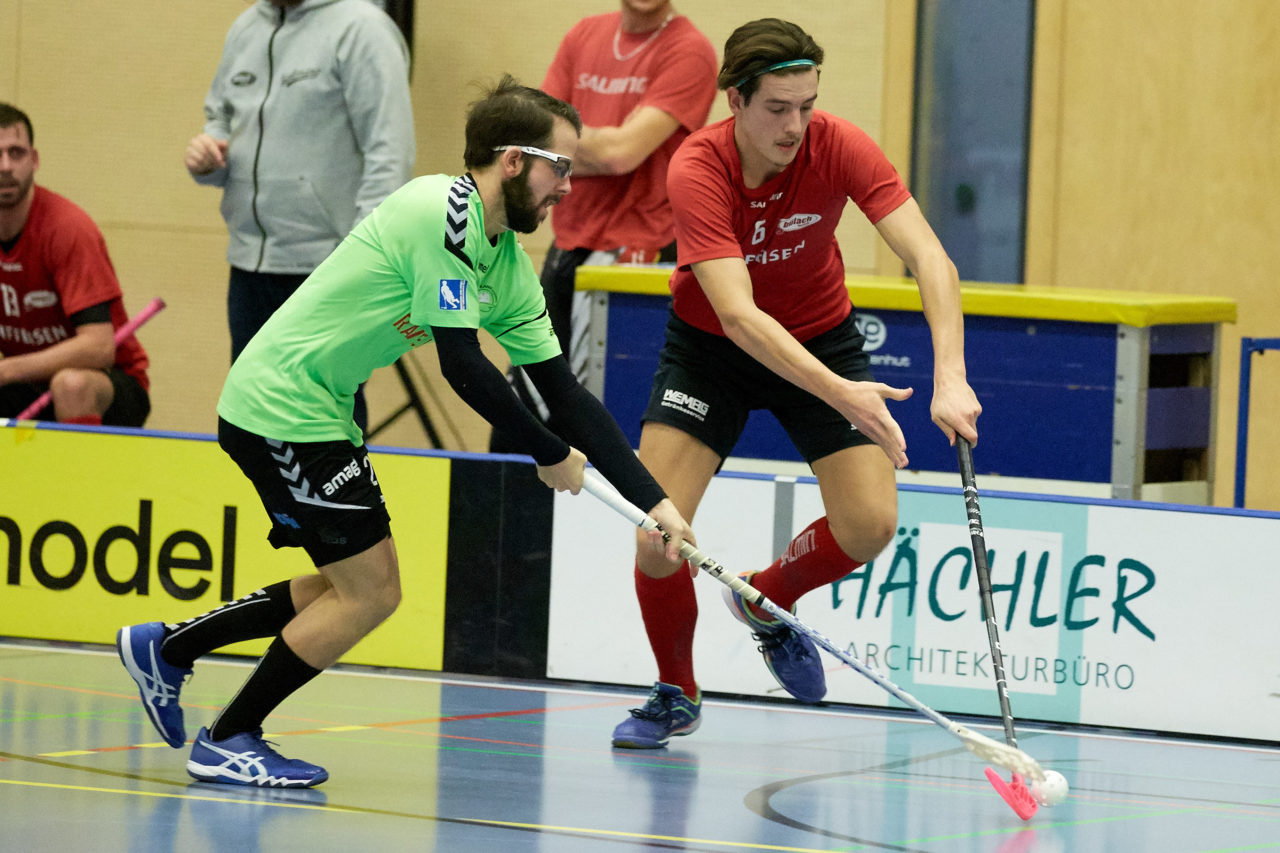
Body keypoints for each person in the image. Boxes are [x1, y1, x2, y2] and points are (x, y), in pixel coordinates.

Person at [116, 76, 695, 788]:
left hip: (323, 411)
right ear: (513, 161)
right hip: (278, 407)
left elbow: (565, 395)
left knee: (354, 582)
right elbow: (462, 365)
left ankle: (170, 647)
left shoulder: (508, 266)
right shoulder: (440, 211)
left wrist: (656, 503)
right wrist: (548, 453)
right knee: (371, 592)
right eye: (560, 168)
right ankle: (229, 736)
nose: (568, 187)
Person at [610, 18, 983, 749]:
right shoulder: (697, 167)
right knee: (658, 536)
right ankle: (676, 690)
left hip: (820, 336)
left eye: (807, 105)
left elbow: (930, 257)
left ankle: (766, 597)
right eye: (777, 108)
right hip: (712, 350)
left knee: (870, 525)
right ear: (736, 101)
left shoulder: (838, 145)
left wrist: (951, 374)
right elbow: (740, 316)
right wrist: (843, 393)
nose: (795, 125)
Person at [490, 0, 716, 450]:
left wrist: (566, 151)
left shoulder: (690, 51)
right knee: (523, 406)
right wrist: (592, 147)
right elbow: (532, 139)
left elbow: (620, 154)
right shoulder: (584, 36)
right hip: (567, 245)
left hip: (635, 258)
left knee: (594, 415)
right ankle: (515, 498)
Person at [185, 0, 415, 433]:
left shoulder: (362, 28)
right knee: (251, 422)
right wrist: (207, 155)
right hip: (250, 266)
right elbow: (220, 121)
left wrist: (361, 259)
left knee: (325, 422)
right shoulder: (246, 28)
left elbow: (390, 153)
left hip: (328, 268)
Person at [0, 103, 151, 427]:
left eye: (16, 153)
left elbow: (99, 348)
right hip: (27, 384)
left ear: (34, 160)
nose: (5, 166)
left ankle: (81, 463)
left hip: (105, 381)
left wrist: (8, 369)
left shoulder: (67, 228)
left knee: (70, 384)